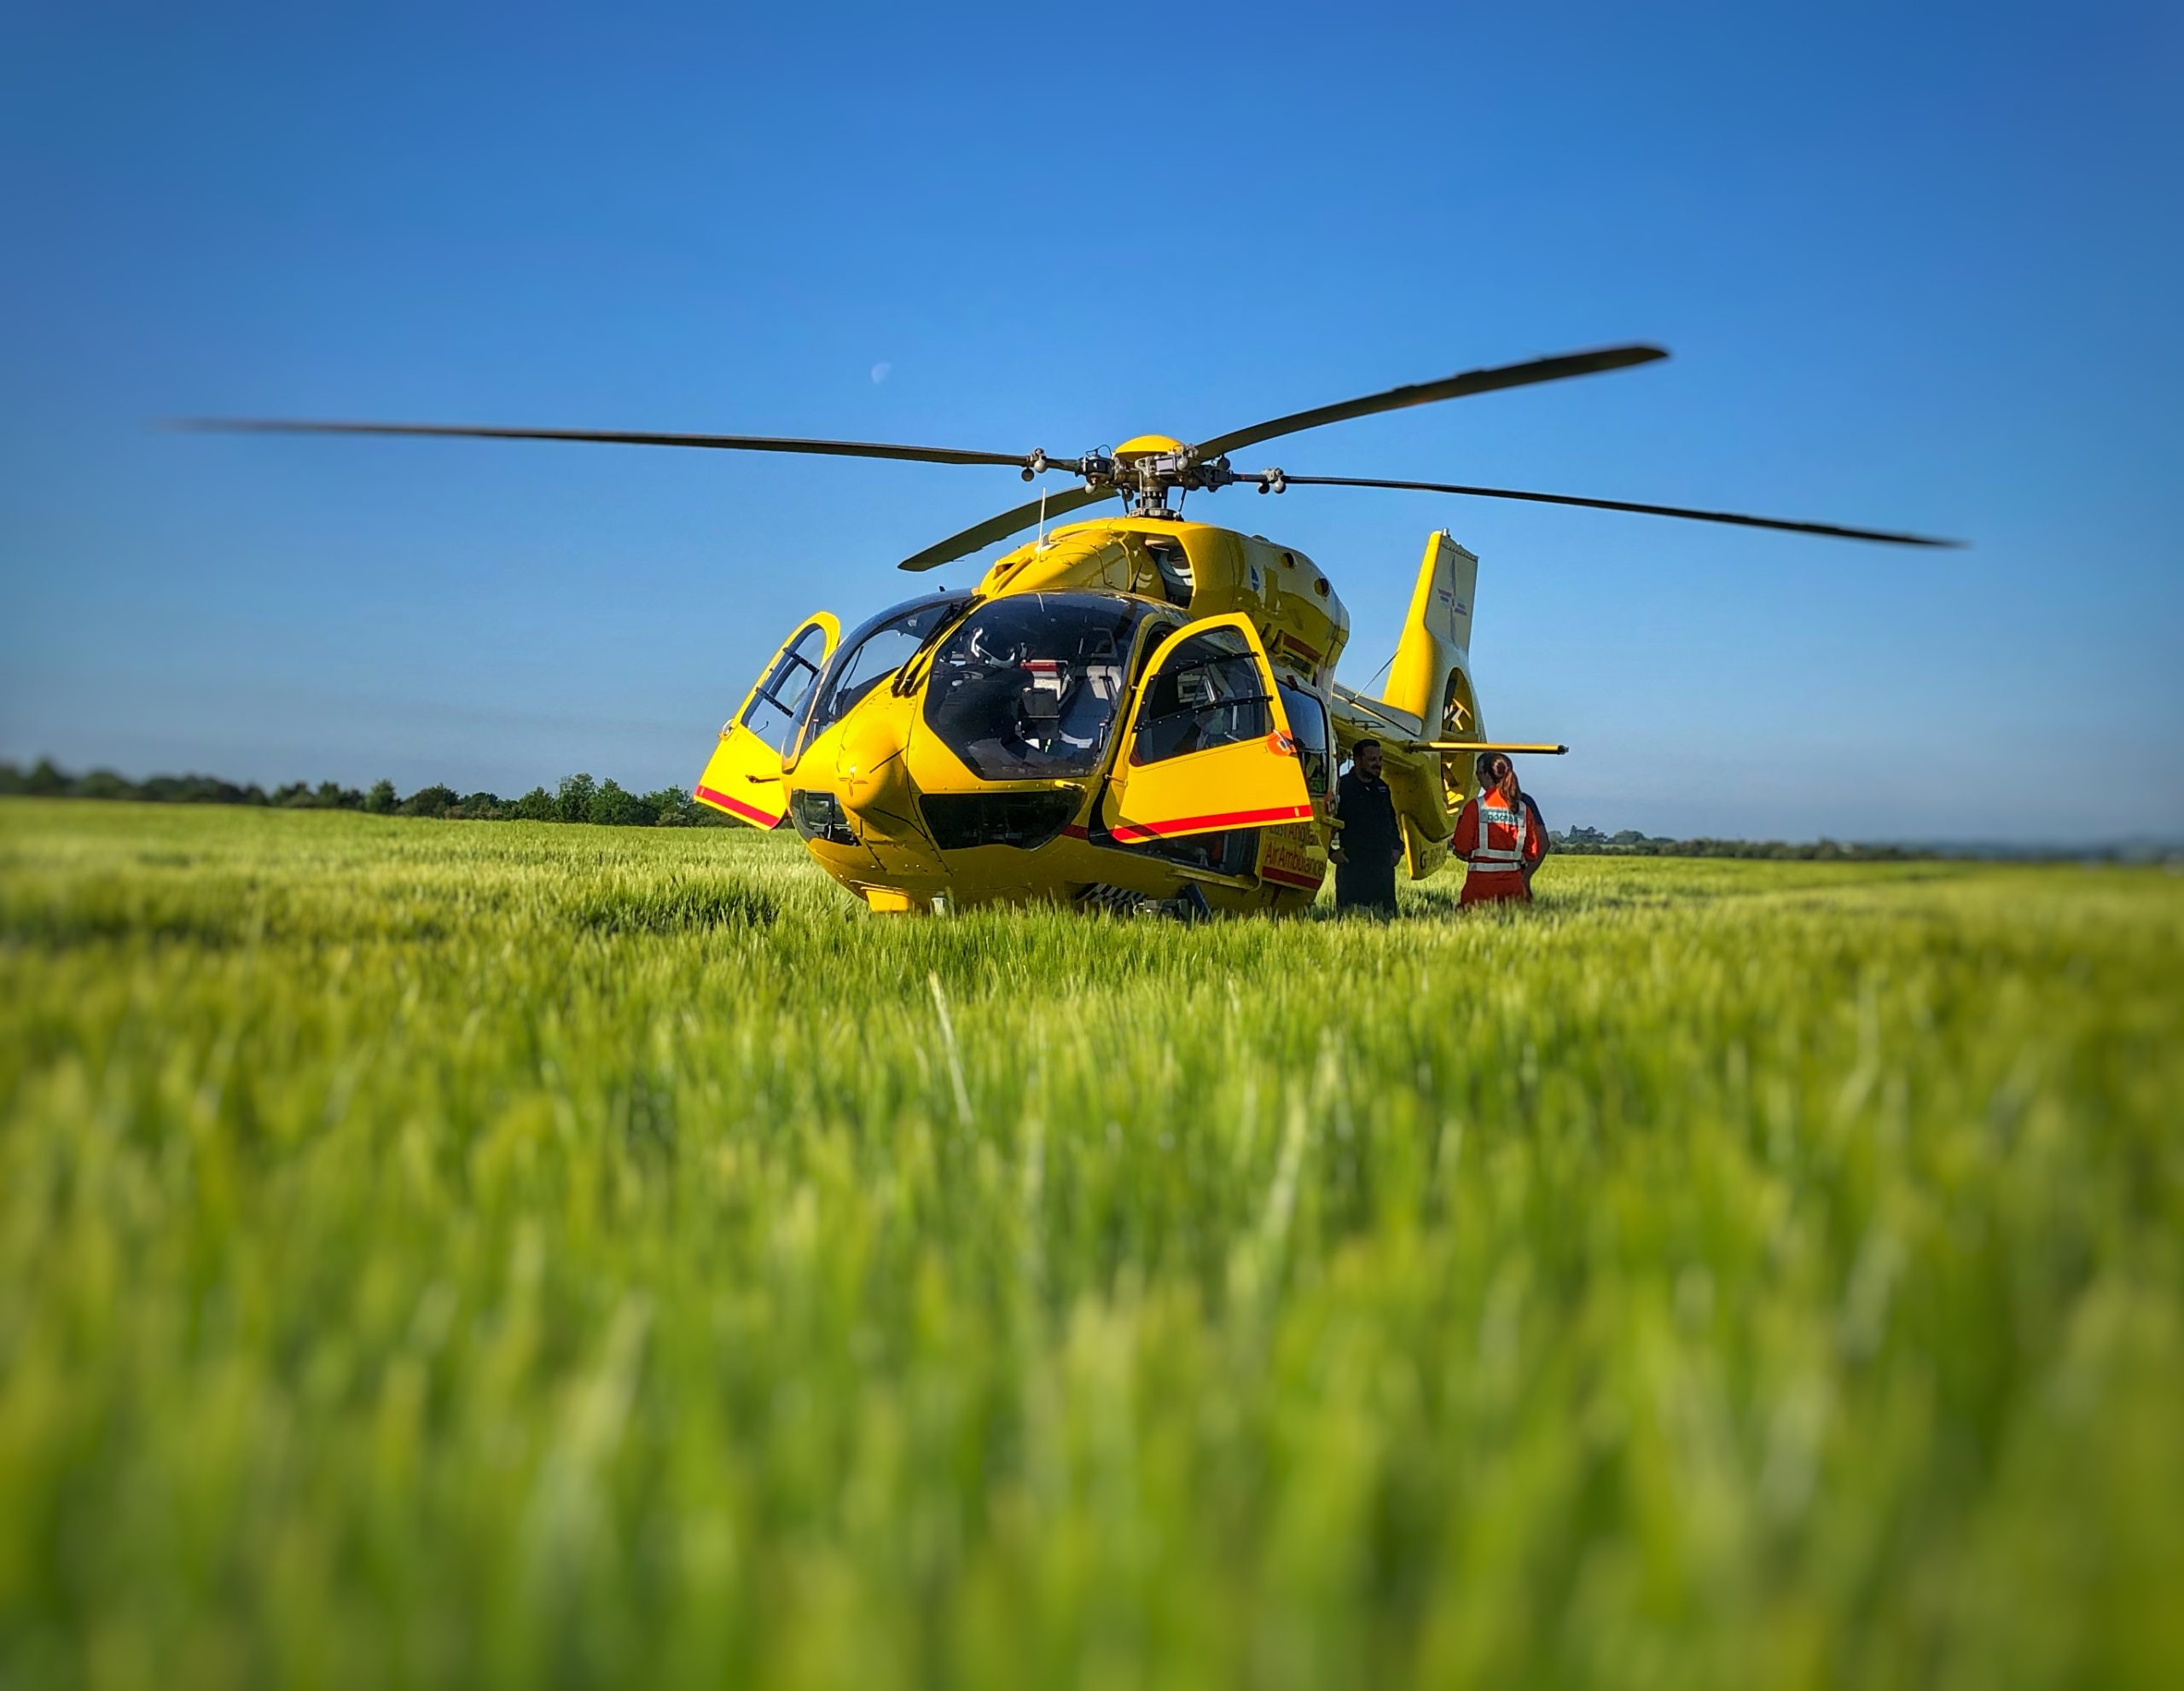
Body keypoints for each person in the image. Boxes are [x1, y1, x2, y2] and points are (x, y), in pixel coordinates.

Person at [1452, 752, 1548, 906]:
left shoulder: (1475, 807)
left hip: (1480, 886)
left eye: (1479, 773)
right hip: (1513, 886)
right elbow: (1533, 852)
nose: (1477, 777)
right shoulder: (1524, 809)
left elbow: (1462, 847)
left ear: (1488, 776)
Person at [1333, 738, 1403, 915]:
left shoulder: (1383, 789)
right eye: (1372, 760)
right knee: (1352, 921)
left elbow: (1391, 822)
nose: (1378, 764)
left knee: (1385, 924)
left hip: (1382, 871)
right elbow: (1327, 821)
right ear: (1357, 760)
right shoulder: (1343, 787)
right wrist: (1331, 853)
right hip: (1353, 871)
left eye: (1380, 760)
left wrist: (1397, 849)